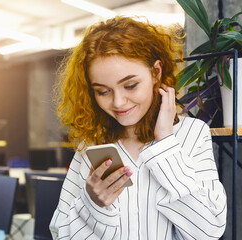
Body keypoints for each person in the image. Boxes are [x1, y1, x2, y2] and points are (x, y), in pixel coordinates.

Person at [49, 16, 227, 240]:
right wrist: (92, 204)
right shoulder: (92, 144)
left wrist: (165, 145)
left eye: (130, 85)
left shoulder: (192, 134)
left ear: (156, 72)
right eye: (103, 91)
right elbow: (60, 234)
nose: (118, 102)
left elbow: (208, 230)